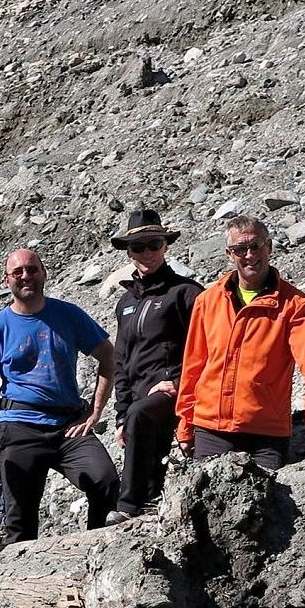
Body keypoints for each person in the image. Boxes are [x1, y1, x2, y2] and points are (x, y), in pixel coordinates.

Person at [0, 247, 119, 541]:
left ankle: (95, 551)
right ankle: (17, 580)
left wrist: (95, 411)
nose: (25, 276)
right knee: (18, 518)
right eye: (18, 272)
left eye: (32, 269)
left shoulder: (68, 315)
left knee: (105, 480)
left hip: (69, 423)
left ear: (44, 273)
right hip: (19, 425)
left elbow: (108, 356)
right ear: (7, 281)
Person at [175, 214, 305, 471]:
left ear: (269, 247)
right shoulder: (207, 301)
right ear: (230, 254)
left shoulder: (297, 306)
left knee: (266, 508)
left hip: (266, 434)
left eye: (256, 246)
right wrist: (185, 424)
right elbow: (193, 366)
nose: (250, 255)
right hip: (211, 428)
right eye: (241, 249)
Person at [109, 207, 201, 520]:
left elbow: (208, 346)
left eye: (154, 244)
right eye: (138, 247)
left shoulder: (186, 293)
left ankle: (129, 507)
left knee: (141, 415)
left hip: (174, 391)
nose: (147, 252)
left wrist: (178, 381)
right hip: (137, 398)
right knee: (136, 418)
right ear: (128, 252)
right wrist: (120, 414)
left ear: (165, 246)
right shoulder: (125, 303)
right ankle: (148, 506)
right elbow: (120, 361)